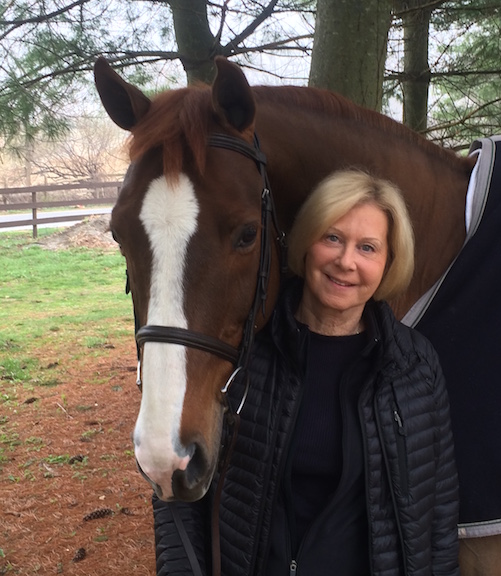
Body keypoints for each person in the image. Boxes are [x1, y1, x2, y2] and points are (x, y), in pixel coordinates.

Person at [154, 169, 460, 576]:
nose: (346, 261)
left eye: (367, 248)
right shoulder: (244, 353)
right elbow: (177, 481)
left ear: (388, 263)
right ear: (304, 242)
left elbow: (438, 512)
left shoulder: (414, 366)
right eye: (332, 238)